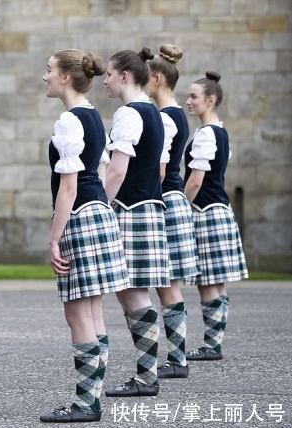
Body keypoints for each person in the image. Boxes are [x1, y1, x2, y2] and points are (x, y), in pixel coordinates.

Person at [39, 49, 129, 423]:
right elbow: (105, 171)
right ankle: (91, 400)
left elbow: (68, 188)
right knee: (92, 312)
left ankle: (86, 403)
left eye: (49, 70)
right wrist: (100, 213)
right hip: (100, 214)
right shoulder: (93, 115)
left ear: (64, 77)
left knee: (77, 312)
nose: (44, 76)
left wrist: (54, 237)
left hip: (79, 215)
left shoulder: (69, 120)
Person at [102, 48, 170, 397]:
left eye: (110, 74)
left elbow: (117, 169)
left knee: (131, 293)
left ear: (125, 76)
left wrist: (100, 206)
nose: (105, 80)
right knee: (133, 293)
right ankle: (147, 375)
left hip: (131, 210)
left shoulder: (129, 113)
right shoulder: (153, 112)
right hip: (145, 208)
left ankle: (147, 377)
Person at [183, 71, 248, 361]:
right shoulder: (221, 132)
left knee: (207, 280)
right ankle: (215, 342)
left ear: (211, 100)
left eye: (193, 96)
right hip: (220, 210)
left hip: (206, 211)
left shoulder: (207, 134)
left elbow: (196, 181)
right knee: (216, 282)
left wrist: (182, 208)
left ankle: (211, 345)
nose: (188, 101)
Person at [145, 44, 199, 379]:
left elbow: (160, 169)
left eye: (146, 79)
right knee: (168, 283)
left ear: (159, 79)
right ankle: (177, 356)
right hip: (174, 198)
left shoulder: (165, 117)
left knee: (166, 283)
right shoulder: (176, 113)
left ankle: (177, 359)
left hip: (165, 198)